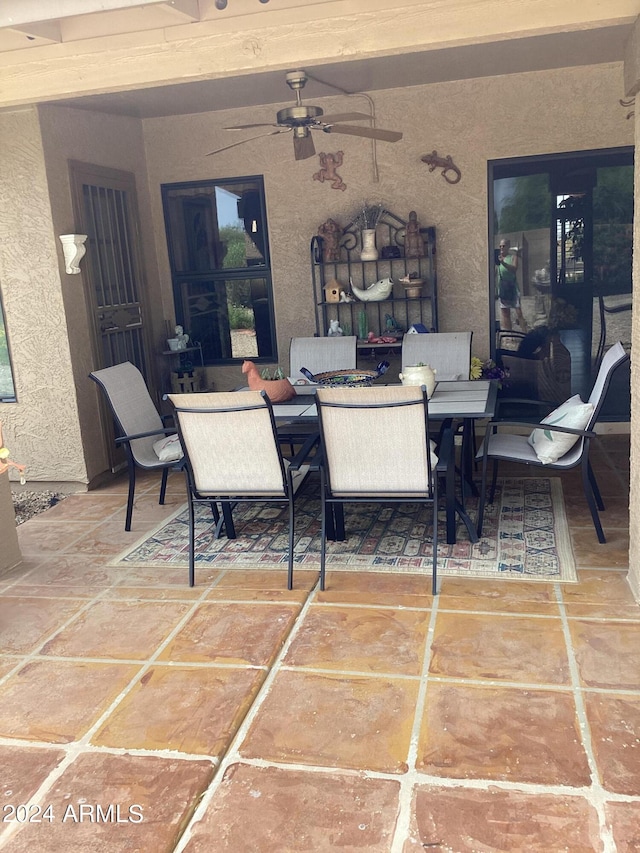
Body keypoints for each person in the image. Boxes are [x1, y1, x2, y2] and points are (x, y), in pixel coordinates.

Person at [496, 238, 528, 332]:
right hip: (503, 288)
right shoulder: (498, 258)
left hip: (512, 288)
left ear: (508, 247)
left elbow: (514, 269)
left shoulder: (513, 257)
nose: (502, 248)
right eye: (500, 246)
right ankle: (509, 334)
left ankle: (524, 332)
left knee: (518, 312)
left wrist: (503, 263)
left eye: (504, 246)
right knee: (505, 312)